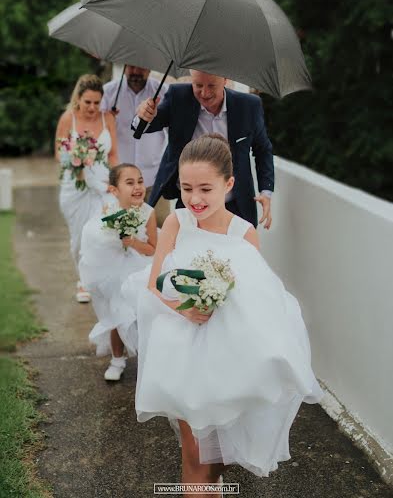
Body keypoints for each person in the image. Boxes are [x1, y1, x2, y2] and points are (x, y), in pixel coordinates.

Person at [119, 134, 322, 495]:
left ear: (228, 184)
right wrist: (186, 308)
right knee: (193, 452)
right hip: (179, 348)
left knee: (214, 460)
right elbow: (154, 284)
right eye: (186, 188)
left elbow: (257, 298)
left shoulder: (243, 234)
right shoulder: (176, 224)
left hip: (225, 356)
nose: (195, 199)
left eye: (205, 189)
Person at [135, 69, 274, 229]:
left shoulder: (249, 105)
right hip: (191, 203)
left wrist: (266, 192)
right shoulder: (178, 96)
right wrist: (143, 116)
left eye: (211, 86)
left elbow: (263, 150)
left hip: (235, 204)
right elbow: (148, 125)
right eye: (198, 85)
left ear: (225, 79)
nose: (204, 93)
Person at [79, 163, 157, 381]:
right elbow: (96, 235)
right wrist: (113, 240)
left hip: (140, 266)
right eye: (130, 183)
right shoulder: (109, 211)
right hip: (113, 268)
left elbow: (153, 248)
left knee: (143, 314)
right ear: (114, 190)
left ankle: (150, 359)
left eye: (140, 181)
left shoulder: (148, 213)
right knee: (117, 313)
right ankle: (117, 360)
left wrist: (131, 242)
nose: (137, 187)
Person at [55, 74, 118, 303]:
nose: (92, 107)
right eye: (88, 102)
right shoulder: (67, 119)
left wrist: (116, 181)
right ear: (78, 99)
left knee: (102, 233)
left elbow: (113, 154)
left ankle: (98, 277)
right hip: (75, 186)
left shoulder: (108, 118)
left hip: (102, 184)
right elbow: (58, 153)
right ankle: (82, 279)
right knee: (79, 237)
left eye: (97, 102)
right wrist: (77, 159)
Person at [101, 64, 170, 226]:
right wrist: (108, 120)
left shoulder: (163, 91)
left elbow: (172, 130)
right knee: (122, 231)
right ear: (124, 67)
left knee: (162, 227)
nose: (136, 72)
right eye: (131, 67)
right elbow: (97, 132)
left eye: (141, 67)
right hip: (121, 180)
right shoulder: (109, 92)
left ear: (149, 68)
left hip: (154, 178)